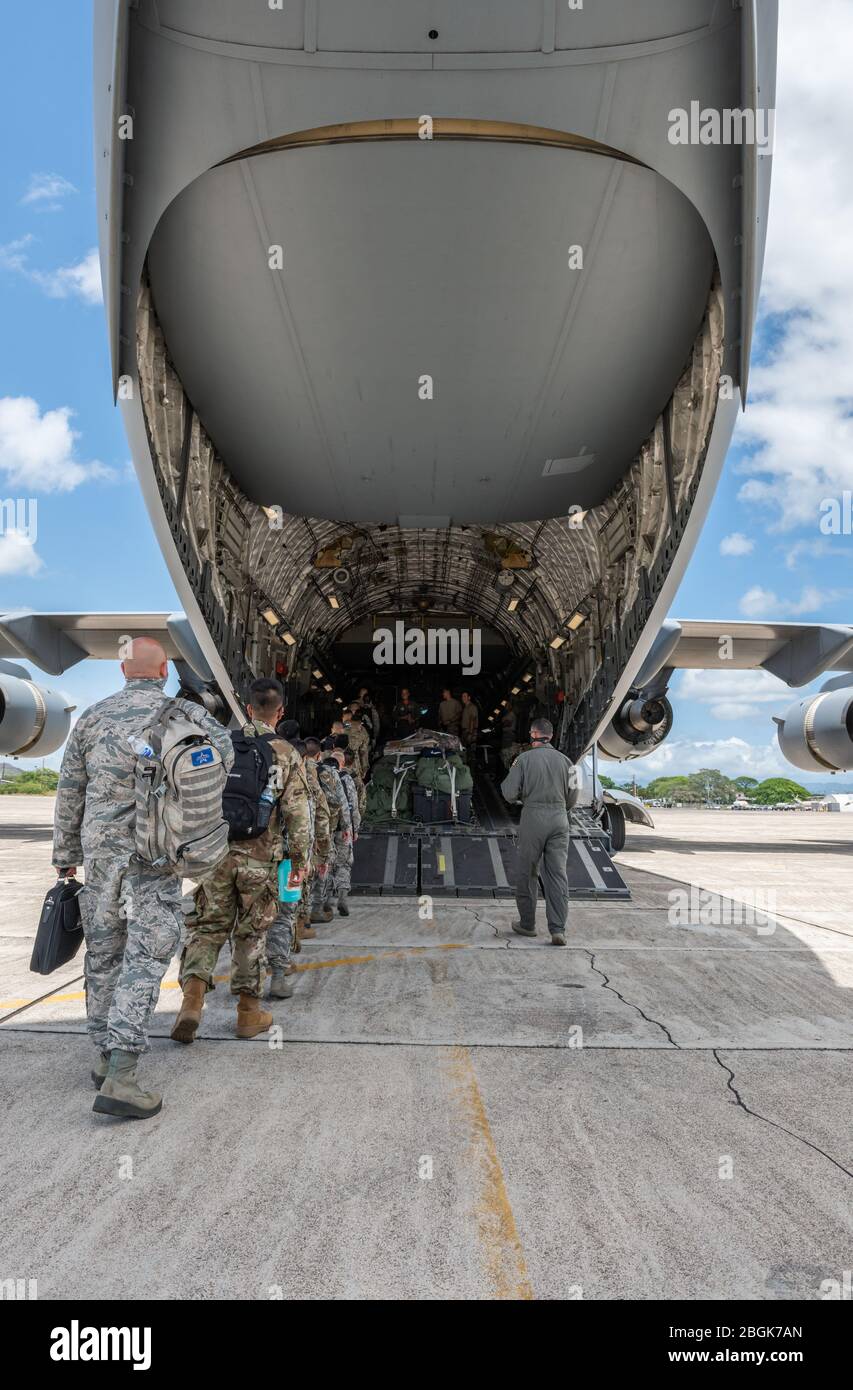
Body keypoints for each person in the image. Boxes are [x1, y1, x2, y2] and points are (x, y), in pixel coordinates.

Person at [51, 635, 234, 1120]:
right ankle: (124, 1073)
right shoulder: (189, 717)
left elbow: (70, 789)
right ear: (162, 674)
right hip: (155, 858)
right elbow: (223, 763)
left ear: (123, 672)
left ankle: (105, 1055)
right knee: (145, 958)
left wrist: (65, 854)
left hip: (102, 860)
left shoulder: (92, 717)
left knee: (105, 953)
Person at [172, 678, 311, 1042]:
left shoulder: (219, 745)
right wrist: (300, 861)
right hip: (261, 859)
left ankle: (191, 1003)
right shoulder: (285, 752)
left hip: (216, 854)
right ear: (279, 713)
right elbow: (298, 814)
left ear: (248, 709)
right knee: (251, 933)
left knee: (206, 928)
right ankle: (248, 1014)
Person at [500, 717, 575, 946]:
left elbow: (509, 793)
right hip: (560, 819)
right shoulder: (567, 762)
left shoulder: (522, 760)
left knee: (528, 872)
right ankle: (558, 929)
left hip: (534, 818)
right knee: (557, 875)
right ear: (550, 736)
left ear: (533, 735)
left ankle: (528, 924)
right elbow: (572, 797)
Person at [307, 738, 351, 925]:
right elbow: (341, 803)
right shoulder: (329, 774)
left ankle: (300, 913)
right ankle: (318, 907)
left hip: (299, 831)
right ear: (319, 755)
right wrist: (346, 826)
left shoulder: (291, 768)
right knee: (324, 867)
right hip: (324, 828)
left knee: (301, 871)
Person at [330, 747, 360, 916]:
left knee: (326, 863)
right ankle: (342, 896)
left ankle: (324, 901)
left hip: (326, 829)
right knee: (344, 863)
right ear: (342, 763)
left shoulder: (320, 775)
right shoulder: (346, 778)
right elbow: (353, 806)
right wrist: (355, 828)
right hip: (344, 829)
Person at [343, 706, 371, 778]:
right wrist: (365, 767)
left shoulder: (341, 727)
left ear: (343, 717)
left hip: (342, 763)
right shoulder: (361, 728)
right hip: (356, 763)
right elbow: (363, 750)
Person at [460, 690, 478, 763]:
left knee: (471, 754)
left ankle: (471, 771)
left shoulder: (472, 707)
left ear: (469, 697)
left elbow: (472, 720)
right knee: (465, 751)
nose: (463, 698)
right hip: (465, 731)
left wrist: (470, 733)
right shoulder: (465, 708)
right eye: (462, 696)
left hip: (470, 731)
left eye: (464, 696)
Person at [500, 705, 518, 772]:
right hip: (506, 735)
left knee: (508, 752)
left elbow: (507, 723)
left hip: (509, 735)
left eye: (507, 706)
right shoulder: (507, 714)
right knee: (505, 752)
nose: (505, 707)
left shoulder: (511, 714)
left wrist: (501, 723)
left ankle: (509, 770)